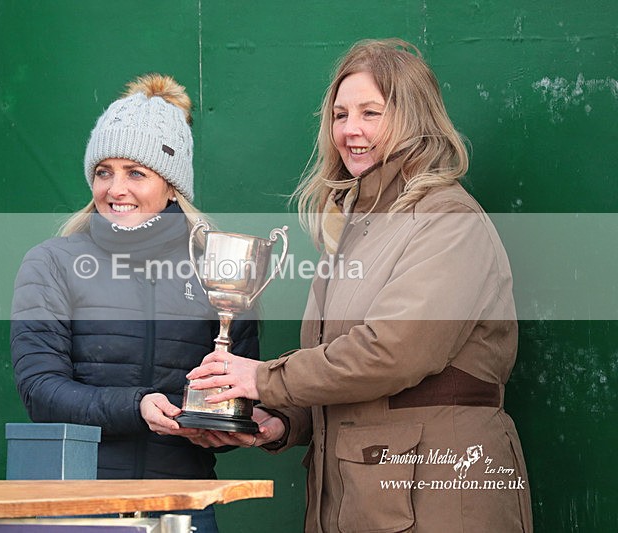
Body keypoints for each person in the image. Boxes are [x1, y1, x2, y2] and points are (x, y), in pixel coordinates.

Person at [186, 39, 532, 532]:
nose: (351, 130)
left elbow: (393, 352)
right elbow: (343, 377)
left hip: (440, 497)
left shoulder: (449, 220)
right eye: (340, 114)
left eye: (371, 113)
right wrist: (283, 420)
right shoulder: (353, 227)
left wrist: (262, 378)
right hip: (360, 502)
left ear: (415, 119)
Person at [10, 73, 259, 533]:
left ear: (171, 186)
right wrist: (137, 406)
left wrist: (224, 430)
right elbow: (40, 391)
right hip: (78, 509)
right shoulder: (52, 262)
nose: (115, 189)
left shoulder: (220, 267)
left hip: (184, 507)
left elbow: (235, 394)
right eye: (104, 171)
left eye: (136, 173)